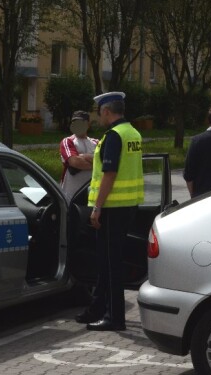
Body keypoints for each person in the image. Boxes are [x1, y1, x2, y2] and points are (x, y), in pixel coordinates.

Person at [75, 91, 144, 332]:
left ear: (106, 111)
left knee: (111, 265)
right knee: (107, 262)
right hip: (127, 207)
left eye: (99, 112)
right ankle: (98, 308)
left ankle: (115, 318)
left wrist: (97, 208)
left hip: (112, 208)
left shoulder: (114, 136)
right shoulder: (133, 133)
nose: (99, 117)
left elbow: (110, 173)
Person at [59, 110, 98, 199]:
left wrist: (83, 156)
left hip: (92, 194)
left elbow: (105, 161)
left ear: (88, 124)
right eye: (74, 122)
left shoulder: (96, 143)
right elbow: (75, 162)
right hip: (71, 195)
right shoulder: (68, 141)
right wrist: (96, 163)